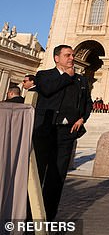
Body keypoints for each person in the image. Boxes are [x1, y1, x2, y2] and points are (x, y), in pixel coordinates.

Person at [33, 44, 93, 219]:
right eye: (67, 55)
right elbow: (47, 90)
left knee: (57, 177)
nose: (72, 58)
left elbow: (88, 103)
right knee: (38, 175)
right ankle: (31, 216)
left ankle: (49, 217)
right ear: (56, 58)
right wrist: (67, 77)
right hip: (45, 132)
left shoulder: (81, 80)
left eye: (73, 55)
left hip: (66, 134)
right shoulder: (44, 76)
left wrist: (83, 118)